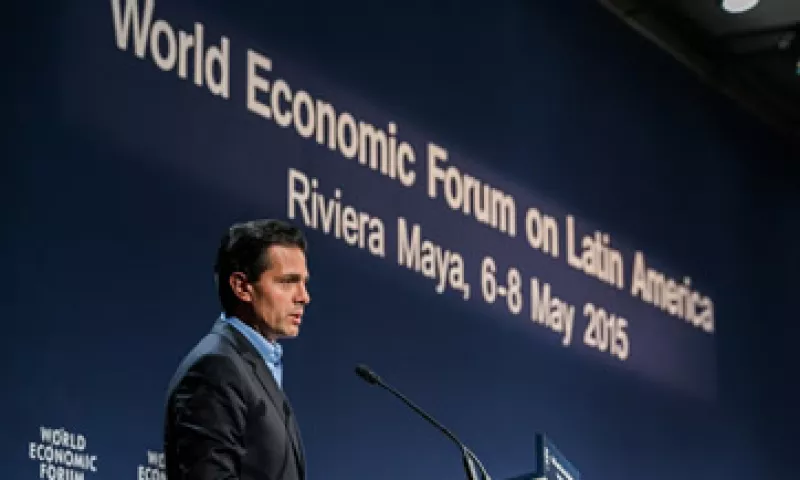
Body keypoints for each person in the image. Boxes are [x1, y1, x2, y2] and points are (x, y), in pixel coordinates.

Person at [164, 219, 311, 480]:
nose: (303, 296)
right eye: (288, 282)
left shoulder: (252, 365)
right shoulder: (216, 367)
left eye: (303, 282)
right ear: (242, 287)